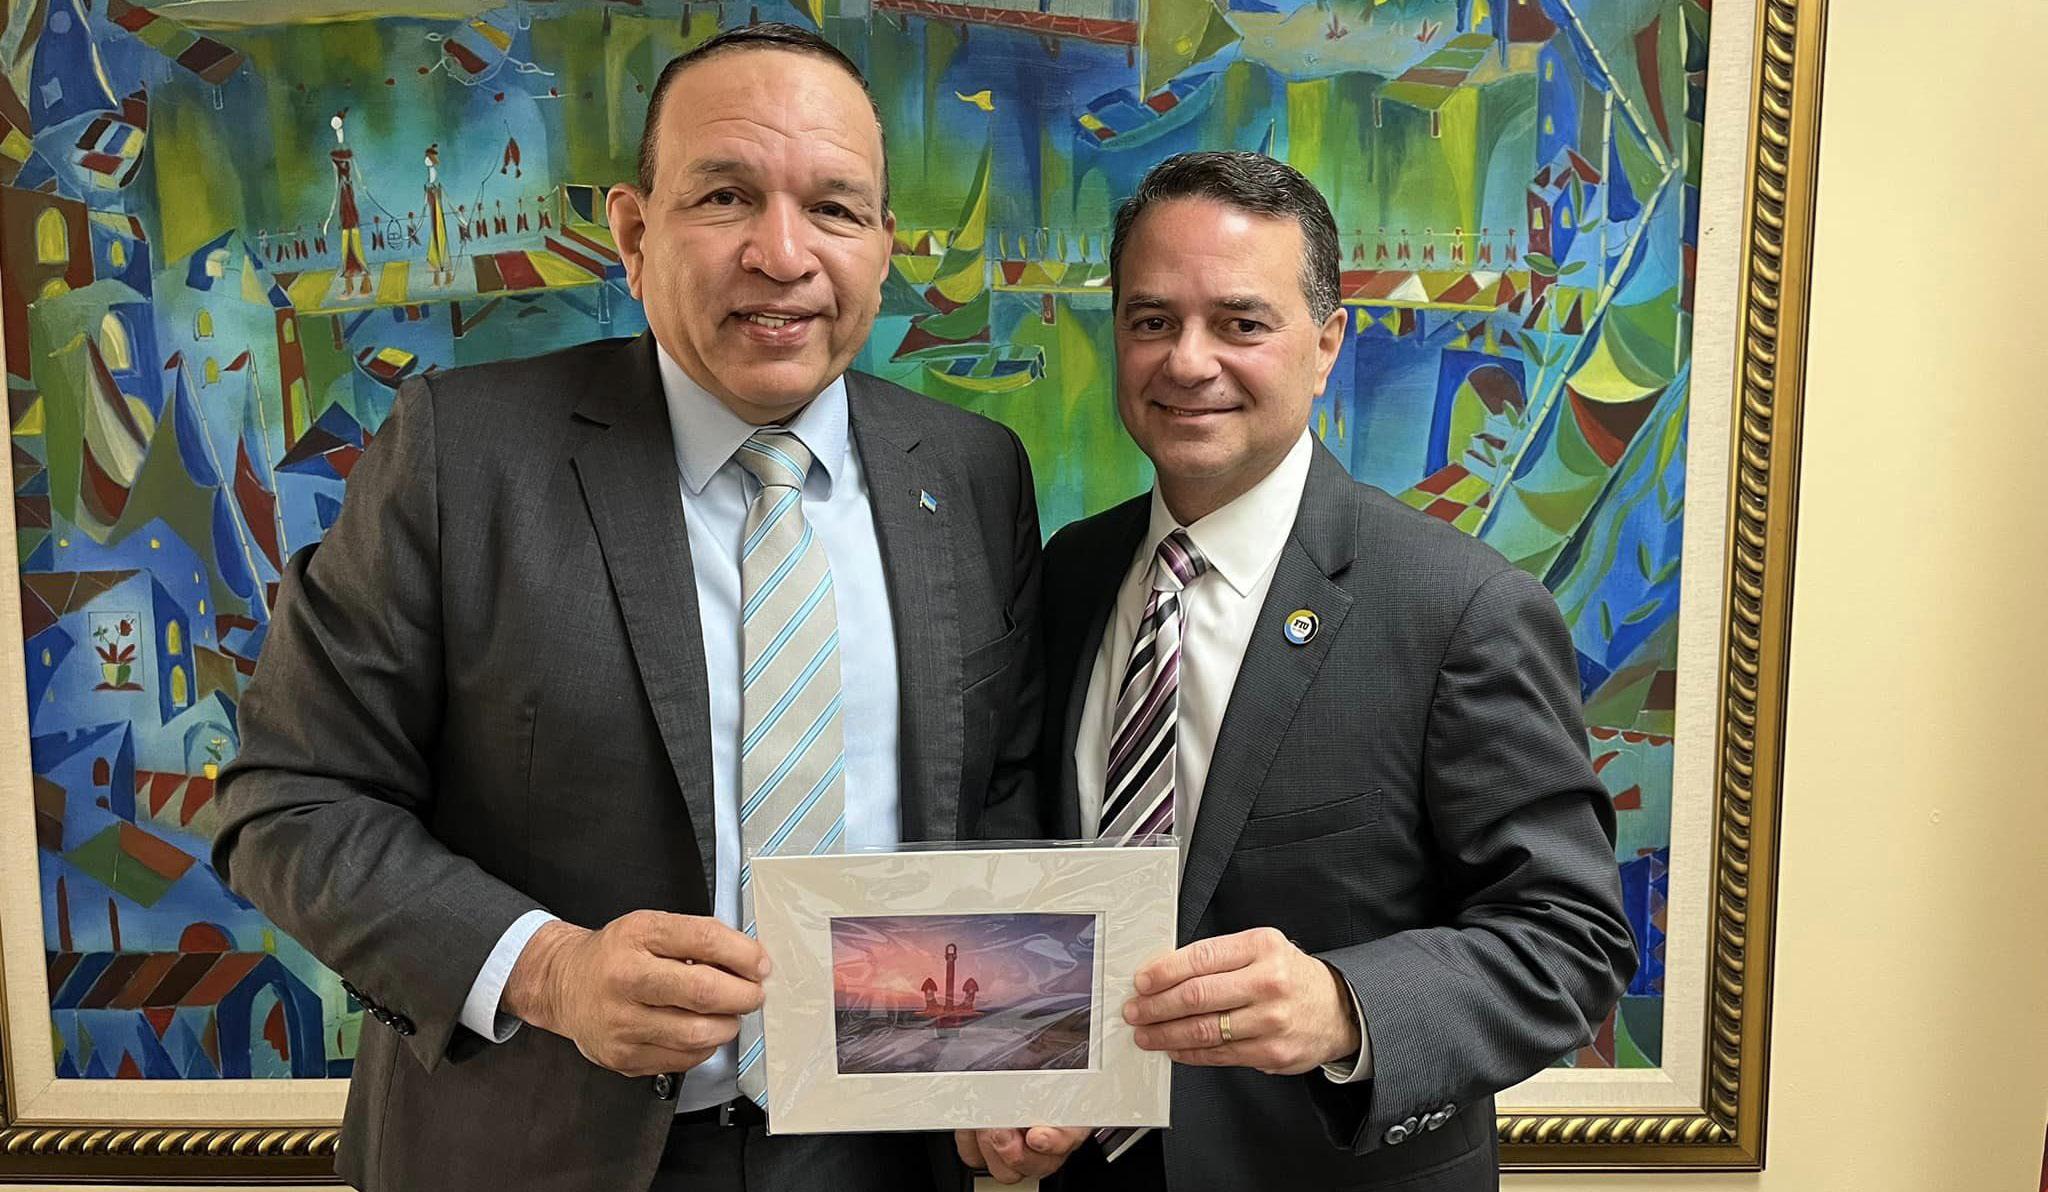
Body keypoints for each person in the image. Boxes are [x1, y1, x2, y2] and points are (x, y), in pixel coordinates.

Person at [213, 24, 1042, 1192]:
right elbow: (288, 801)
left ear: (883, 245)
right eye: (725, 196)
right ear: (634, 233)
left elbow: (997, 790)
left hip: (881, 1156)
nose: (782, 253)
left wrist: (1006, 1045)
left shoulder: (971, 470)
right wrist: (549, 969)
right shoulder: (459, 455)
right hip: (536, 1153)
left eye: (834, 208)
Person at [956, 151, 1633, 1190]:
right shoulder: (1070, 575)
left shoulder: (1461, 609)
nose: (1187, 362)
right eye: (1151, 320)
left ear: (1325, 346)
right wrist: (1015, 1061)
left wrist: (1343, 1007)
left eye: (1240, 323)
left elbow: (1572, 942)